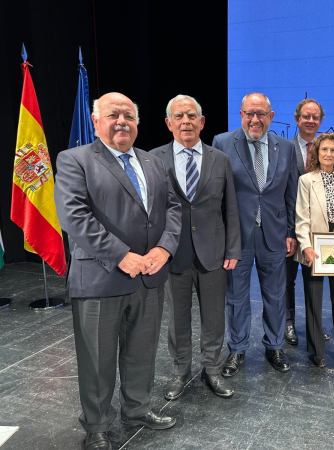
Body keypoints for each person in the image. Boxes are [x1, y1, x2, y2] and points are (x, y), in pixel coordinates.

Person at [54, 93, 182, 450]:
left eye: (129, 115)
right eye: (113, 115)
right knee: (97, 359)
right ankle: (96, 425)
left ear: (138, 123)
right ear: (97, 122)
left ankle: (137, 408)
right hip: (99, 277)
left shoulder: (153, 161)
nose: (122, 121)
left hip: (150, 275)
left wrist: (164, 248)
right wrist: (122, 255)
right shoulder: (74, 160)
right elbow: (74, 217)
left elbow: (172, 208)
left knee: (142, 350)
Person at [151, 95, 241, 401]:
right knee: (177, 317)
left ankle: (212, 369)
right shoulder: (153, 160)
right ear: (169, 123)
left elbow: (230, 209)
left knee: (214, 316)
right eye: (179, 116)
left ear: (202, 122)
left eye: (192, 116)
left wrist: (233, 249)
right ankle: (180, 371)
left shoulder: (220, 159)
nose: (186, 121)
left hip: (213, 252)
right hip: (172, 252)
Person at [212, 93, 298, 376]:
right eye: (249, 113)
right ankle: (236, 350)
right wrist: (223, 237)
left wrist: (290, 232)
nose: (255, 119)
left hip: (274, 235)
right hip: (237, 238)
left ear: (271, 117)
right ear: (241, 114)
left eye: (260, 114)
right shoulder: (223, 143)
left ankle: (274, 346)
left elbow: (290, 194)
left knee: (275, 295)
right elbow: (217, 195)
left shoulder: (285, 147)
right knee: (236, 297)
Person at [295, 132, 334, 368]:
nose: (328, 154)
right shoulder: (306, 180)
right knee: (313, 300)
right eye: (324, 150)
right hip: (314, 250)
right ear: (316, 153)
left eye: (333, 150)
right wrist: (307, 247)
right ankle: (316, 350)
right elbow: (301, 219)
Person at [285, 98, 330, 345]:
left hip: (319, 233)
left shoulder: (328, 150)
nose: (311, 121)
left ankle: (314, 325)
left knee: (314, 281)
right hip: (291, 230)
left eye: (315, 117)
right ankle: (288, 323)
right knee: (287, 280)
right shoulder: (283, 148)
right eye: (306, 116)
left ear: (320, 121)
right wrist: (286, 230)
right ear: (297, 119)